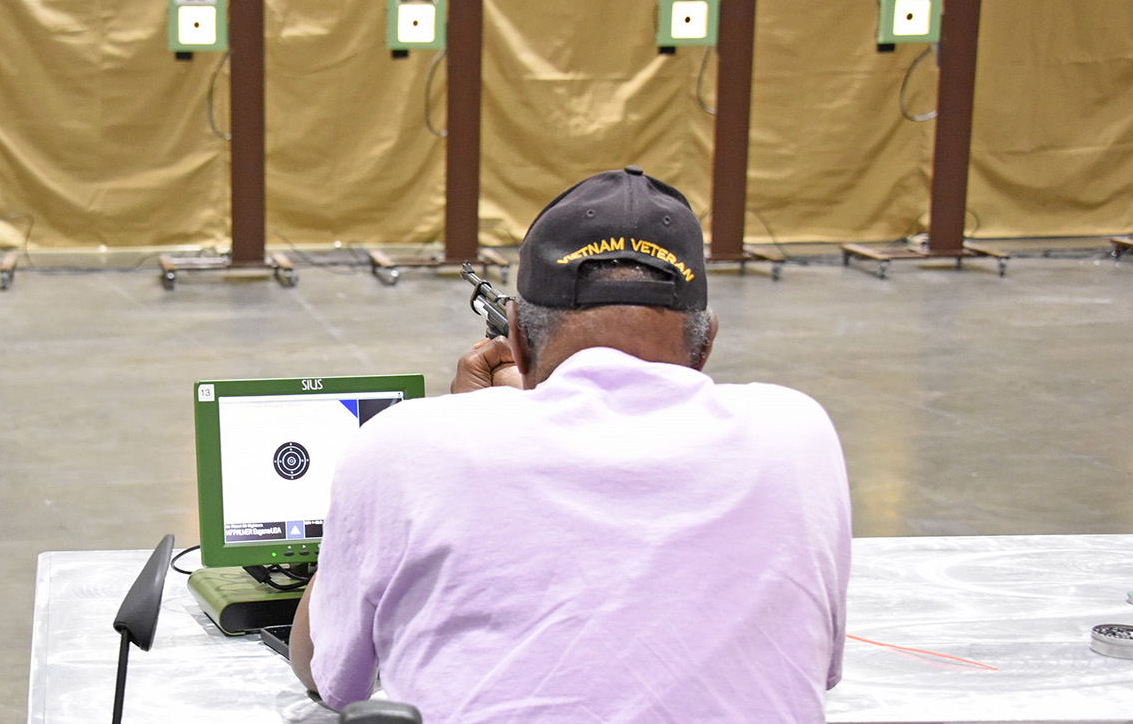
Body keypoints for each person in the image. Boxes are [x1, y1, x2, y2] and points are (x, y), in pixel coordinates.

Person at [290, 167, 851, 723]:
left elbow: (325, 671)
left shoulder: (402, 446)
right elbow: (816, 667)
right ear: (705, 346)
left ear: (515, 337)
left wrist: (473, 419)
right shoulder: (797, 434)